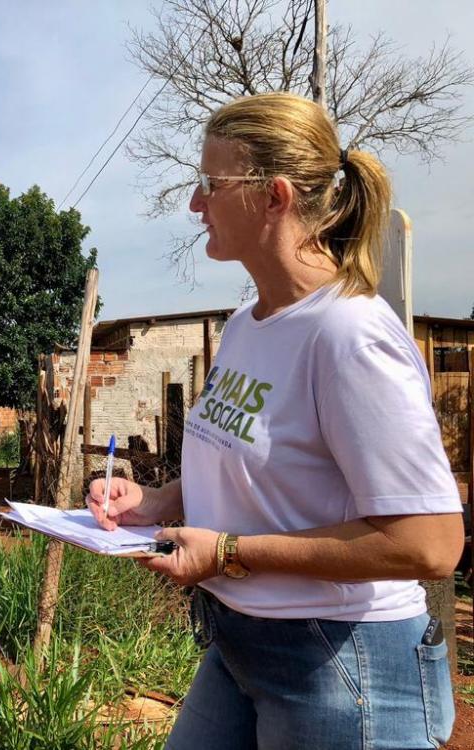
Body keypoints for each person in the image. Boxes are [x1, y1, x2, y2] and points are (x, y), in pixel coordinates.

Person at [88, 92, 463, 749]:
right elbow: (265, 470)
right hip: (241, 640)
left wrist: (228, 554)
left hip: (342, 662)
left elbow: (429, 544)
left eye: (211, 184)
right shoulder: (246, 325)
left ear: (274, 197)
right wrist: (157, 501)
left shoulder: (348, 335)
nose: (196, 203)